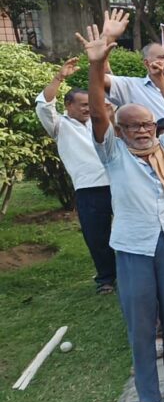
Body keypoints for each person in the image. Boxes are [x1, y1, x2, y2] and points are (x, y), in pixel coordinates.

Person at [81, 11, 164, 402]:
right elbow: (98, 113)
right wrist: (97, 62)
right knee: (141, 324)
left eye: (147, 125)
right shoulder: (113, 153)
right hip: (135, 247)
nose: (142, 131)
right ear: (119, 131)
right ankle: (148, 397)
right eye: (133, 126)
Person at [35, 56, 117, 294]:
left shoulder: (99, 121)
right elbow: (43, 105)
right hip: (89, 189)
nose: (87, 108)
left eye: (90, 104)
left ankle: (129, 270)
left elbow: (115, 100)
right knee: (96, 236)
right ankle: (106, 278)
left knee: (128, 230)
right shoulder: (60, 126)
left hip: (117, 183)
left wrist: (104, 64)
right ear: (68, 105)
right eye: (82, 104)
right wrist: (59, 78)